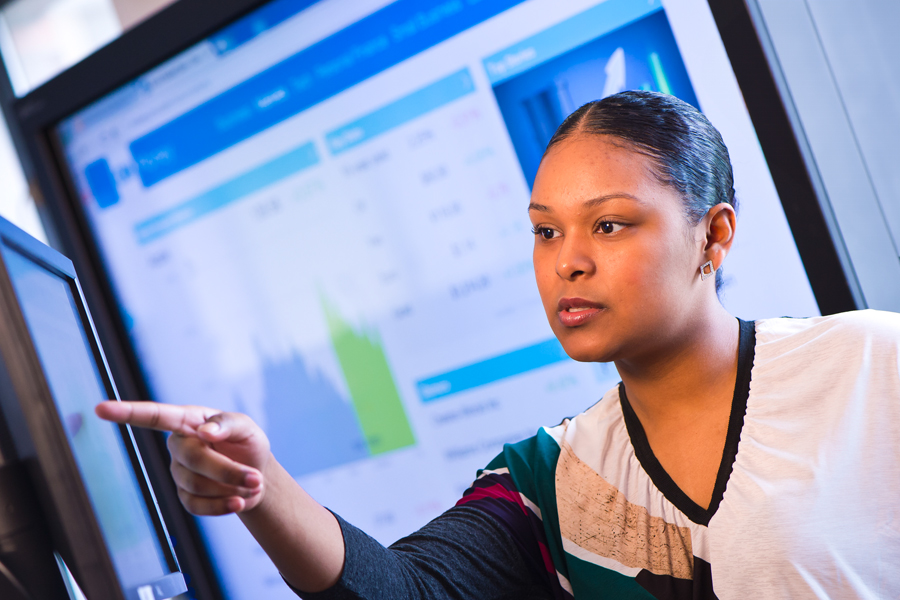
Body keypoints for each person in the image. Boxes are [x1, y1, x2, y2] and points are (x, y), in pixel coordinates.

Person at [97, 91, 900, 599]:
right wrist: (261, 487)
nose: (568, 260)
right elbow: (406, 591)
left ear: (713, 235)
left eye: (609, 224)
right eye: (545, 231)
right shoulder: (548, 478)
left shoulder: (866, 366)